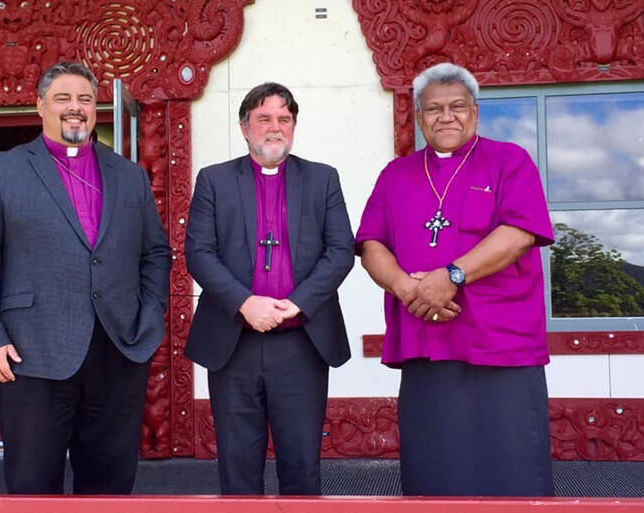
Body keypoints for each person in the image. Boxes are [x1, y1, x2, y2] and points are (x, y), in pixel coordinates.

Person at [0, 62, 171, 494]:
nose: (76, 108)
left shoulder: (128, 176)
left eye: (86, 100)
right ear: (40, 106)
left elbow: (156, 253)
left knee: (110, 486)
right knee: (33, 484)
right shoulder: (1, 170)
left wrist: (149, 315)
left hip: (118, 350)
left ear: (96, 110)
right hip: (31, 354)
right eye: (63, 98)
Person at [356, 63, 555, 496]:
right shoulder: (396, 175)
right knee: (434, 473)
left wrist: (452, 276)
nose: (446, 116)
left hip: (501, 345)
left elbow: (520, 233)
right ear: (419, 117)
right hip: (426, 344)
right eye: (433, 109)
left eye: (457, 106)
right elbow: (371, 244)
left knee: (511, 470)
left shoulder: (509, 161)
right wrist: (408, 289)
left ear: (476, 113)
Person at [185, 82, 354, 495]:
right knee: (238, 467)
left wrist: (296, 304)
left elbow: (341, 250)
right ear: (245, 127)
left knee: (301, 465)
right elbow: (199, 252)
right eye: (264, 119)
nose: (274, 128)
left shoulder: (322, 179)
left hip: (302, 342)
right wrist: (245, 303)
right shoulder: (214, 180)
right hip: (233, 342)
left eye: (284, 118)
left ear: (294, 126)